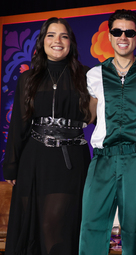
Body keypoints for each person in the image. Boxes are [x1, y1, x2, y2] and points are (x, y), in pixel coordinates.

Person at [2, 17, 93, 255]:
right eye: (51, 35)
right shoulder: (28, 78)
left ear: (71, 43)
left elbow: (95, 116)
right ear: (42, 41)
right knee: (31, 228)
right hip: (35, 159)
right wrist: (11, 165)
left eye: (63, 36)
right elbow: (19, 124)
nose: (57, 41)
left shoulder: (88, 76)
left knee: (56, 225)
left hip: (70, 160)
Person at [78, 9, 136, 255]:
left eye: (129, 32)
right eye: (117, 31)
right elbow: (88, 116)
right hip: (103, 157)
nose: (123, 36)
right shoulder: (94, 75)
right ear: (110, 36)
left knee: (133, 227)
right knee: (91, 223)